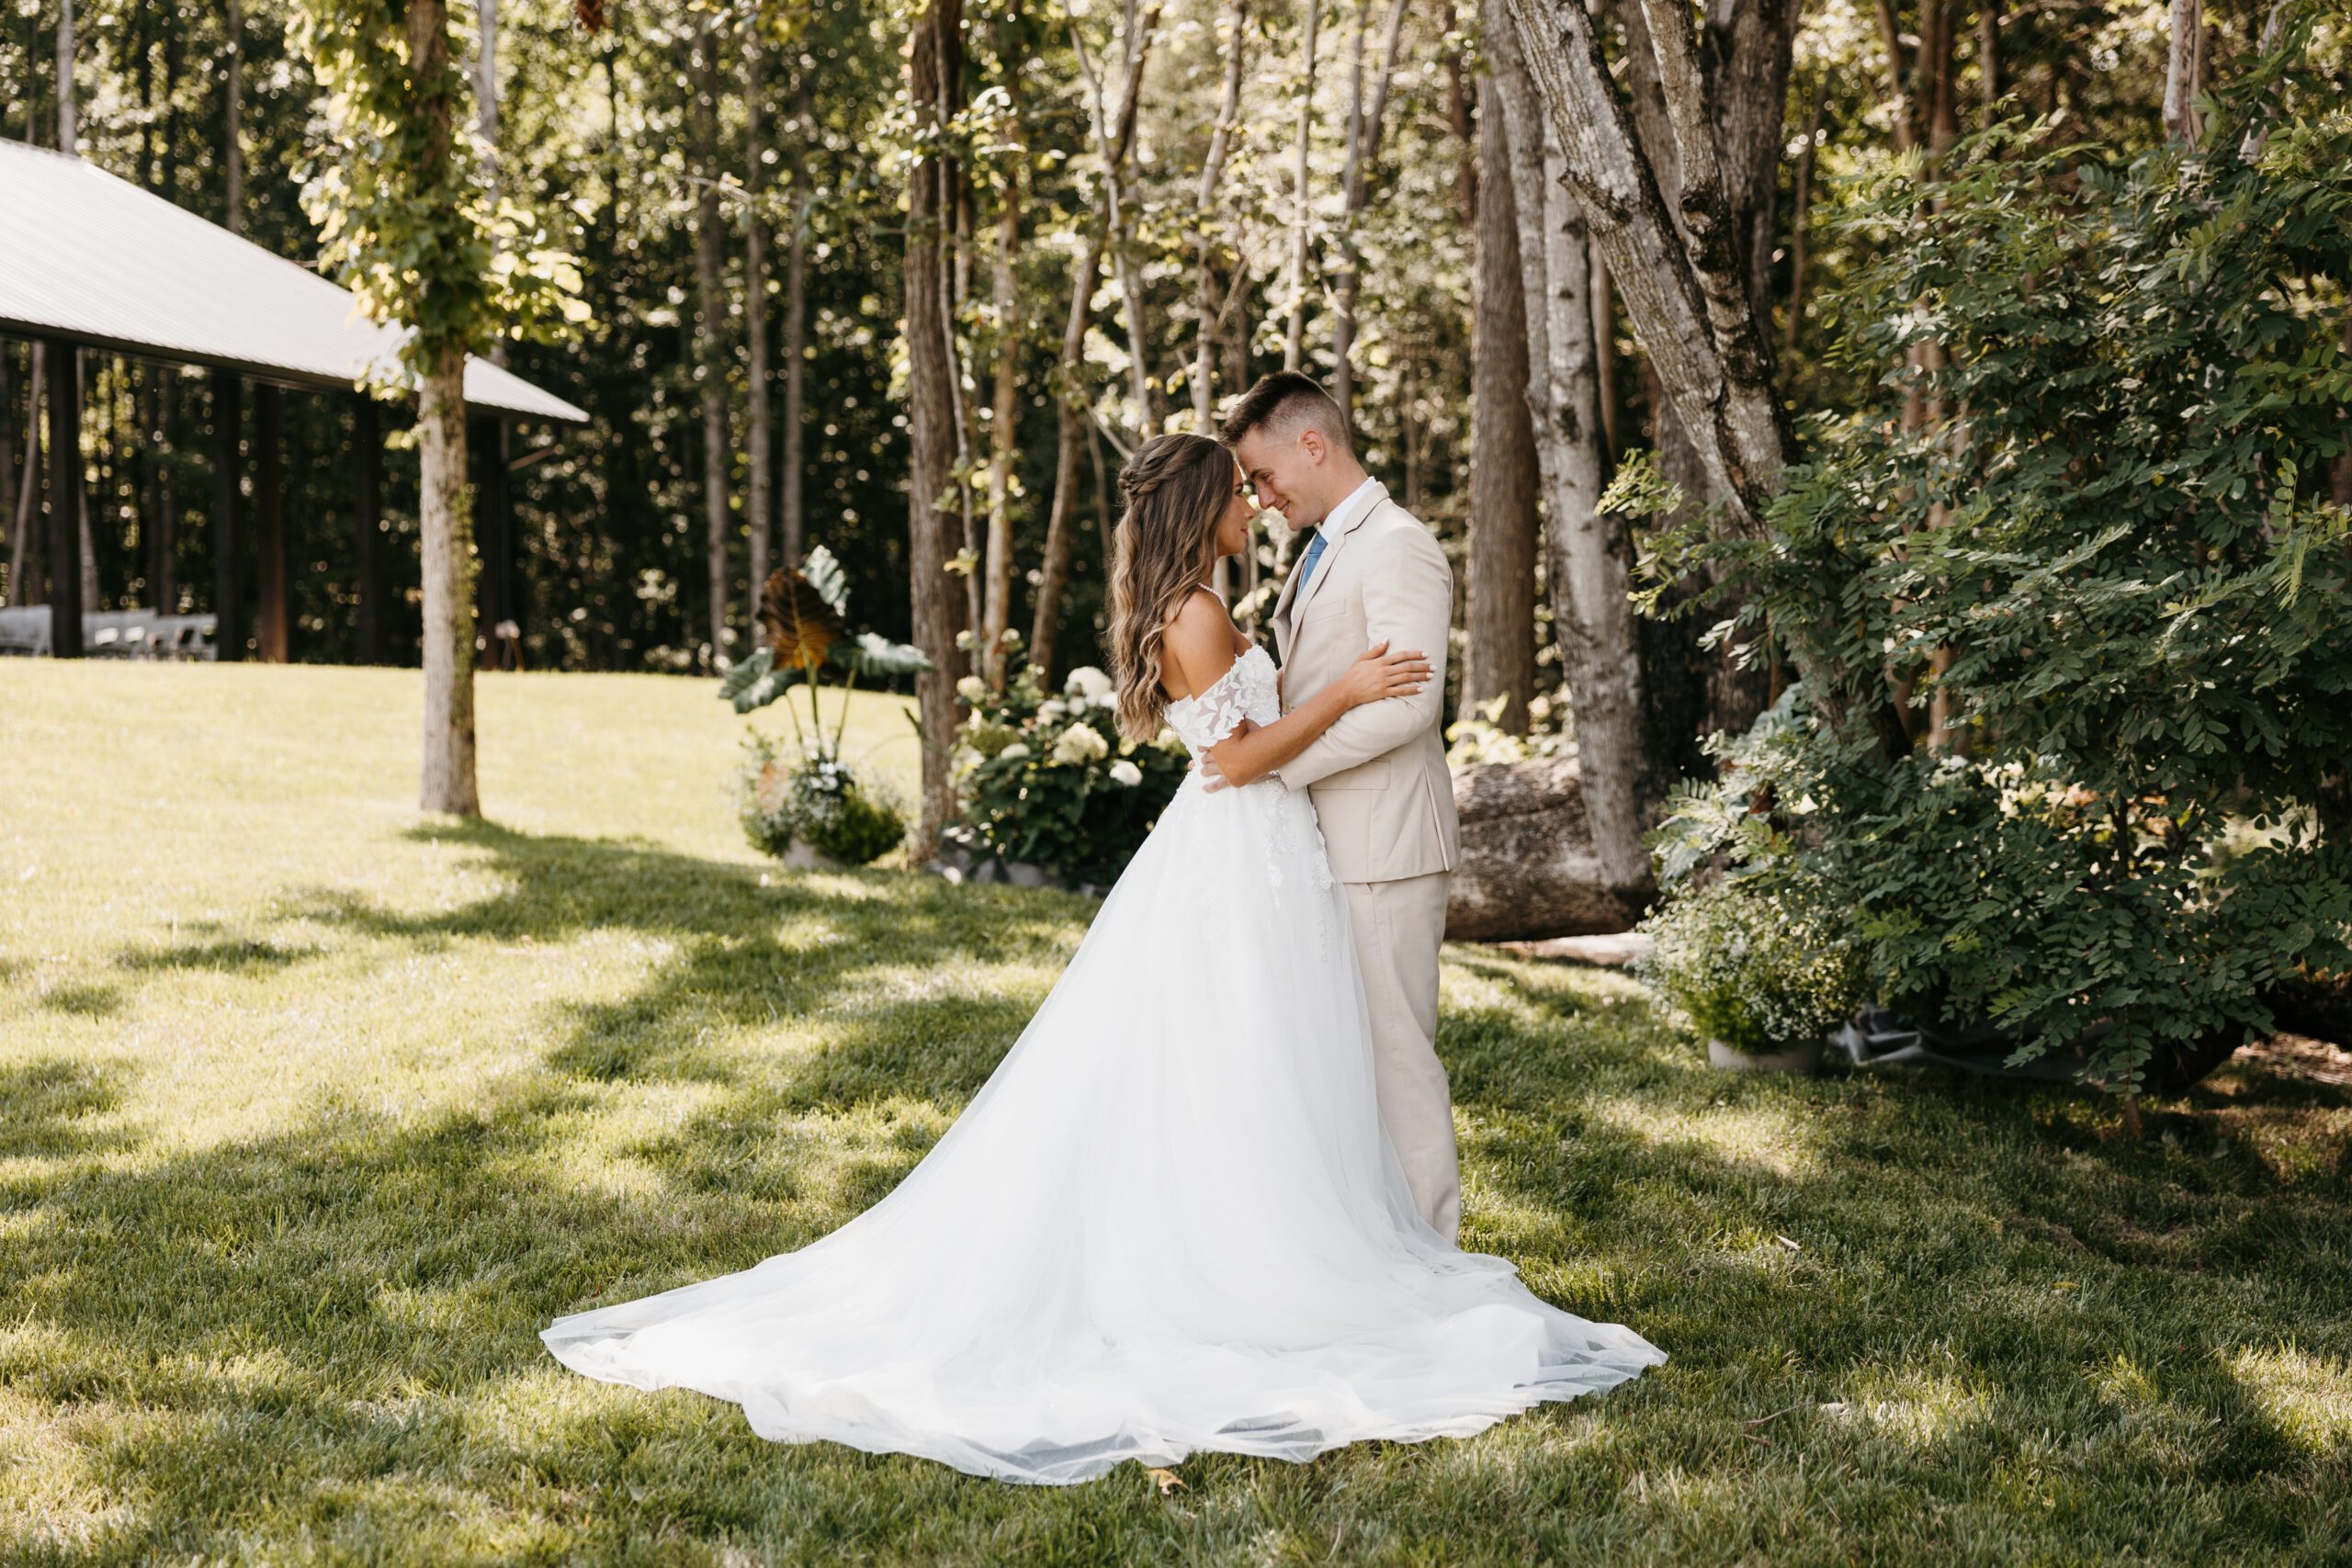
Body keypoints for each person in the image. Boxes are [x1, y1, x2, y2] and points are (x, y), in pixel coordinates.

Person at [541, 430, 1664, 1486]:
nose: (1249, 506)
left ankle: (1278, 1224)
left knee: (1258, 1054)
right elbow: (1235, 761)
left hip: (1262, 853)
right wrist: (1346, 690)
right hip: (1238, 847)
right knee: (1236, 1046)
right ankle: (1246, 1256)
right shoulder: (1194, 615)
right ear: (1200, 508)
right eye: (1235, 494)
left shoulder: (1201, 604)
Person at [1218, 371, 1465, 1241]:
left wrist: (1280, 769)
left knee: (1397, 1056)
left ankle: (1435, 1252)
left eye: (1264, 475)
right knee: (1349, 1059)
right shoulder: (1327, 545)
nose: (1260, 497)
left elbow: (1408, 706)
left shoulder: (1395, 544)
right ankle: (1381, 1246)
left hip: (1385, 842)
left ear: (1313, 445)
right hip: (1337, 841)